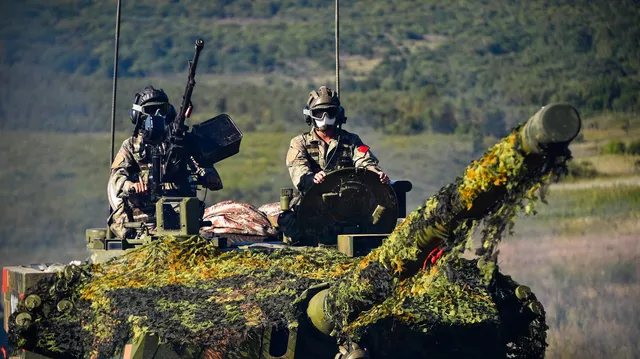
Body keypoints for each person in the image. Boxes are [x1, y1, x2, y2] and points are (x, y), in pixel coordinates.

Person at [107, 85, 223, 239]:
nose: (157, 115)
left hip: (184, 220)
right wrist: (132, 186)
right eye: (150, 111)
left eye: (162, 110)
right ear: (138, 115)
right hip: (145, 224)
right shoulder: (131, 146)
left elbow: (201, 165)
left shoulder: (178, 143)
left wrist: (209, 177)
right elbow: (116, 178)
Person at [286, 85, 389, 194]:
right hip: (311, 199)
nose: (325, 118)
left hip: (347, 199)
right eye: (319, 113)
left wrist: (375, 173)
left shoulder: (351, 140)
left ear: (338, 114)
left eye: (330, 113)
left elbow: (365, 161)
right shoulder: (299, 142)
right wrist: (311, 178)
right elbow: (298, 169)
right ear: (310, 115)